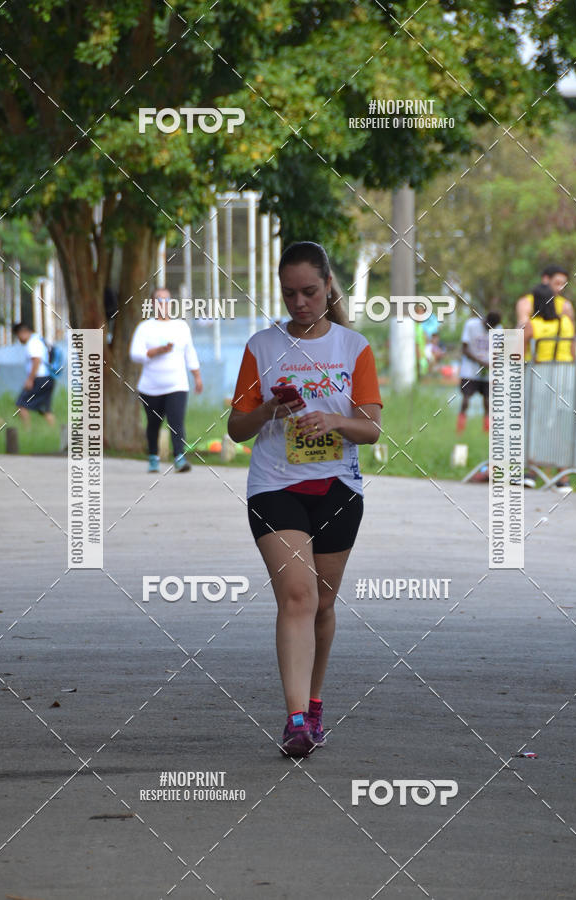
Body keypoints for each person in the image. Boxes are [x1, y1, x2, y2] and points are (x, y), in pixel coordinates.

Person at [227, 241, 383, 758]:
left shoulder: (353, 347)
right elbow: (235, 429)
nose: (300, 302)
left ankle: (314, 705)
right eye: (290, 293)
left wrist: (334, 419)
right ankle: (295, 721)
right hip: (274, 486)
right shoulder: (261, 347)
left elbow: (372, 429)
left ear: (328, 286)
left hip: (338, 487)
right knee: (297, 595)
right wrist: (269, 407)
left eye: (310, 291)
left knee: (323, 604)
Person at [130, 287, 203, 473]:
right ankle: (153, 457)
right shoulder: (145, 328)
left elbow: (190, 352)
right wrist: (157, 351)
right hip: (150, 387)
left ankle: (179, 457)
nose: (163, 304)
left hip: (176, 384)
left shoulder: (180, 327)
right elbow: (135, 354)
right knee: (153, 424)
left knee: (176, 421)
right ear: (153, 304)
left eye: (167, 300)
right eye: (159, 300)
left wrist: (197, 377)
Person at [523, 284, 576, 493]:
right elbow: (573, 350)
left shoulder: (533, 324)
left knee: (538, 422)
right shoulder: (566, 323)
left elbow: (520, 348)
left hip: (542, 375)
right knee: (561, 425)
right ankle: (563, 478)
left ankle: (531, 473)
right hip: (566, 376)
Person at [457, 311, 502, 433]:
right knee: (466, 399)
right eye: (488, 326)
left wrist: (492, 363)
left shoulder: (498, 330)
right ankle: (460, 428)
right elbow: (464, 349)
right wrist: (481, 362)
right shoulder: (471, 324)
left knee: (488, 401)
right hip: (469, 371)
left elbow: (498, 351)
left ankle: (487, 429)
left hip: (487, 373)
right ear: (485, 320)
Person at [12, 322, 56, 427]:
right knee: (44, 409)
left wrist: (30, 379)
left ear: (23, 332)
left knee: (21, 404)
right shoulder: (40, 340)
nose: (18, 339)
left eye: (18, 336)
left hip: (39, 379)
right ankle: (54, 430)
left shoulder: (33, 343)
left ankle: (27, 431)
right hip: (48, 378)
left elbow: (36, 360)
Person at [516, 264, 574, 329]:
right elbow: (522, 328)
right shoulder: (526, 302)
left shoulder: (565, 305)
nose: (560, 288)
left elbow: (571, 332)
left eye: (563, 285)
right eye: (557, 283)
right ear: (545, 279)